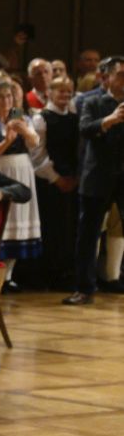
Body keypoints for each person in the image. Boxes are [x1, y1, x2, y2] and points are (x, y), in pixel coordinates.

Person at [66, 57, 124, 304]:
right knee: (88, 236)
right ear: (107, 77)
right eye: (121, 75)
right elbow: (85, 129)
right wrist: (109, 120)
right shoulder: (92, 101)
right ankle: (84, 289)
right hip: (97, 177)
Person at [0, 77, 43, 272]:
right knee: (3, 221)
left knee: (19, 218)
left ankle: (8, 275)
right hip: (0, 170)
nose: (6, 101)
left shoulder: (19, 116)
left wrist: (26, 132)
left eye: (9, 96)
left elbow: (35, 143)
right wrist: (7, 141)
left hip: (22, 170)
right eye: (1, 97)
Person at [34, 74, 82, 290]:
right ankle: (50, 274)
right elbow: (37, 154)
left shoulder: (74, 118)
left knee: (69, 229)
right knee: (52, 228)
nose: (65, 94)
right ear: (50, 93)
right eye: (61, 90)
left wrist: (75, 177)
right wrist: (56, 179)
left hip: (72, 180)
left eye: (69, 90)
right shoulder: (41, 118)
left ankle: (66, 272)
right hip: (50, 182)